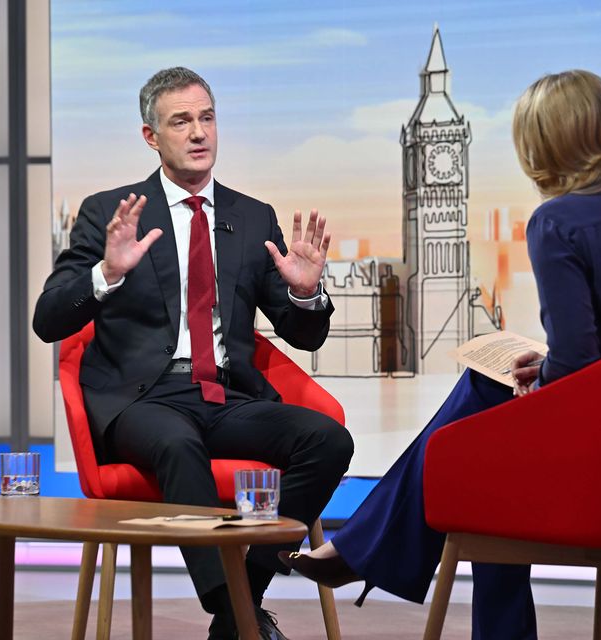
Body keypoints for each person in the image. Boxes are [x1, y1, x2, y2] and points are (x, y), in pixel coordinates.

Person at [279, 69, 601, 639]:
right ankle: (362, 547)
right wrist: (552, 370)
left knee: (486, 432)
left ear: (543, 145)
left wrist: (548, 371)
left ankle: (364, 548)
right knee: (490, 410)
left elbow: (578, 367)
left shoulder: (560, 221)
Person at [33, 67, 354, 640]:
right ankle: (238, 616)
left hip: (226, 396)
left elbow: (303, 336)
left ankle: (238, 606)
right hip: (142, 400)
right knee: (178, 444)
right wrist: (106, 273)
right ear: (151, 137)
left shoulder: (253, 217)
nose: (199, 132)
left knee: (328, 439)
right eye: (181, 121)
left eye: (207, 117)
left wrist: (306, 294)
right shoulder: (110, 212)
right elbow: (49, 318)